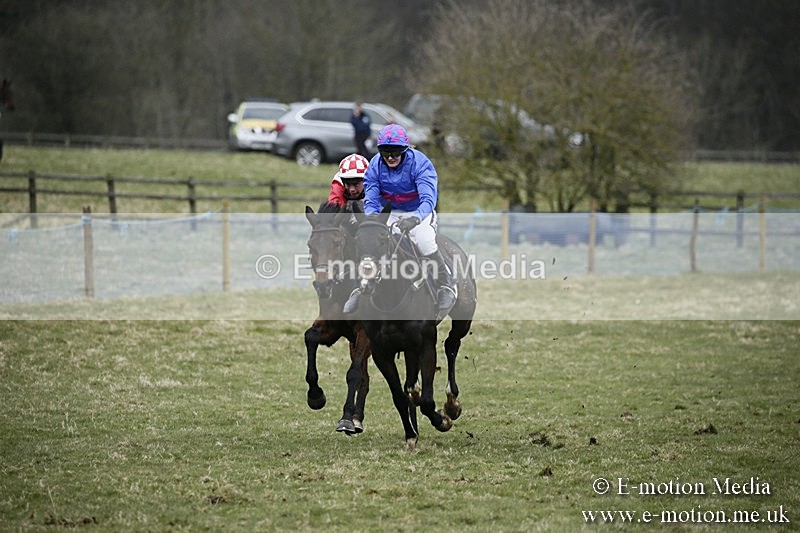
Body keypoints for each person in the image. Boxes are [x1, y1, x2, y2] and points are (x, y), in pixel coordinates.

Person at [344, 123, 456, 313]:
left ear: (405, 149)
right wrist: (371, 220)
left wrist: (415, 219)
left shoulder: (420, 164)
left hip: (419, 211)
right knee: (369, 240)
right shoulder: (375, 166)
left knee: (425, 241)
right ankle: (358, 287)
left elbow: (428, 199)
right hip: (390, 212)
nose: (390, 157)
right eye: (385, 152)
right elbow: (371, 199)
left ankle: (445, 285)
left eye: (395, 152)